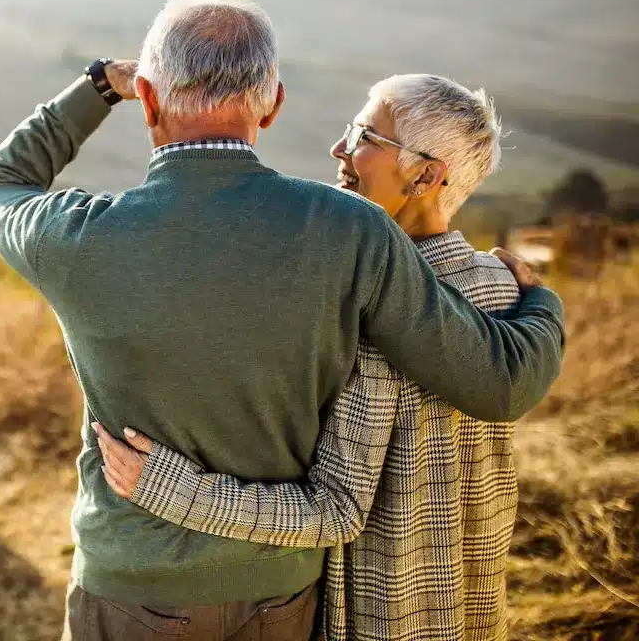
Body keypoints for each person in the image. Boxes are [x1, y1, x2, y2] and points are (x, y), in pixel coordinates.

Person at [0, 0, 566, 641]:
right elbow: (498, 383)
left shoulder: (75, 234)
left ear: (147, 95)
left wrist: (96, 90)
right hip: (282, 598)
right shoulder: (351, 230)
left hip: (131, 592)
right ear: (273, 103)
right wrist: (540, 302)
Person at [96, 73, 541, 641]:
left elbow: (335, 509)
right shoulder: (503, 286)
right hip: (473, 612)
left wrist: (168, 487)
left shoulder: (369, 313)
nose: (339, 148)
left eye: (365, 136)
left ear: (426, 175)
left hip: (382, 622)